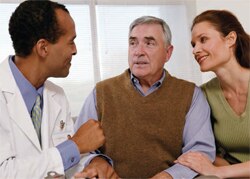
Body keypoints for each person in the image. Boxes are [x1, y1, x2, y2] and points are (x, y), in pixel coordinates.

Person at [75, 15, 216, 178]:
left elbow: (200, 152)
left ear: (168, 53)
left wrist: (168, 176)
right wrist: (96, 161)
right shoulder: (101, 92)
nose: (138, 51)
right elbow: (79, 147)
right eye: (133, 43)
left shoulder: (191, 95)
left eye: (149, 43)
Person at [0, 1, 117, 178]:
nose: (75, 50)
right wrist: (76, 146)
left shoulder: (57, 95)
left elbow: (66, 162)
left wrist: (93, 163)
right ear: (43, 48)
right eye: (71, 42)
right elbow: (4, 172)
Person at [175, 10, 250, 178]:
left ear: (230, 39)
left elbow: (218, 171)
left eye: (203, 40)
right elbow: (206, 148)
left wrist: (221, 172)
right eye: (193, 45)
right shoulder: (203, 94)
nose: (195, 50)